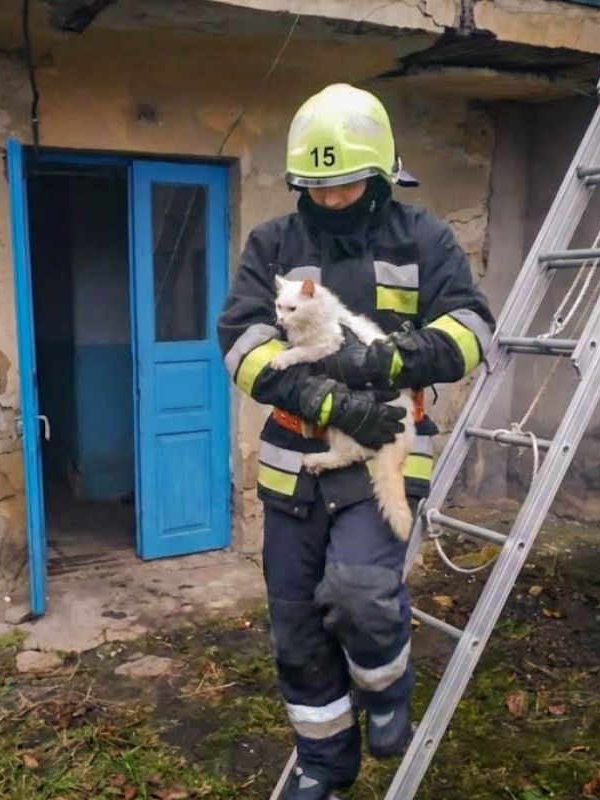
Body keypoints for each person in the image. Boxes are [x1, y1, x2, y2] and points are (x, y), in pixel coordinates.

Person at [217, 83, 495, 799]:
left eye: (345, 185)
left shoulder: (423, 238)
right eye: (317, 186)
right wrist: (318, 395)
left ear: (380, 175)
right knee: (298, 632)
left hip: (384, 455)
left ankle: (386, 686)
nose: (331, 199)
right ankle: (324, 765)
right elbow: (241, 341)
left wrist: (386, 364)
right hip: (294, 472)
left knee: (362, 597)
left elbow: (472, 329)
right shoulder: (274, 243)